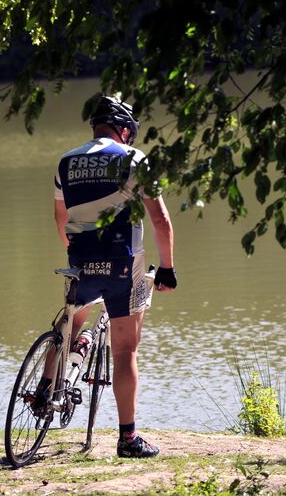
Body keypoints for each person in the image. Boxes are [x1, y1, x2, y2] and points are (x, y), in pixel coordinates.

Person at [53, 94, 177, 458]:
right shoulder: (133, 158)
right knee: (125, 350)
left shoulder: (66, 161)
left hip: (80, 258)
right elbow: (160, 220)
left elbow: (61, 219)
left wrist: (76, 252)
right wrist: (167, 268)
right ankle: (128, 439)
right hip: (122, 262)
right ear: (125, 131)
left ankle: (44, 392)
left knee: (69, 324)